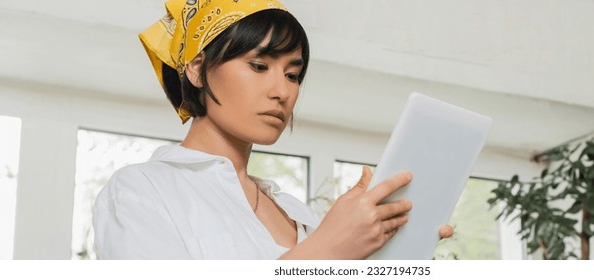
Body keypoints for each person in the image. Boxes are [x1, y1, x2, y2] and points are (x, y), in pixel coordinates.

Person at [92, 0, 452, 260]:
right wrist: (327, 248)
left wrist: (392, 254)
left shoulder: (296, 213)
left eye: (293, 75)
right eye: (259, 65)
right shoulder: (143, 190)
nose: (282, 91)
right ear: (197, 69)